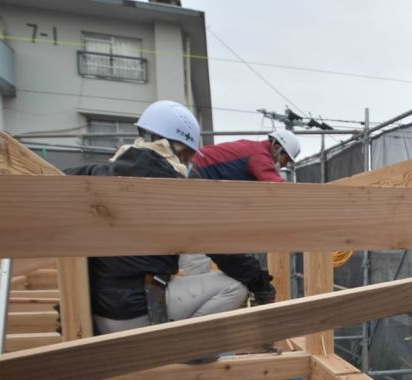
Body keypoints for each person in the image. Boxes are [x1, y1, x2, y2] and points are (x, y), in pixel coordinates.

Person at [65, 100, 276, 336]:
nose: (188, 163)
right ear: (178, 149)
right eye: (187, 156)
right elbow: (223, 249)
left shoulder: (95, 176)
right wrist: (260, 283)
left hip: (94, 311)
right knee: (234, 286)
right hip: (136, 314)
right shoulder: (176, 191)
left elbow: (47, 179)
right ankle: (185, 348)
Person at [179, 129, 301, 275]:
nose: (283, 165)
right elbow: (279, 188)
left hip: (197, 173)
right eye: (285, 159)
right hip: (197, 176)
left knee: (208, 235)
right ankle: (195, 279)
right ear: (276, 147)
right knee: (205, 237)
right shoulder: (260, 156)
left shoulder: (254, 150)